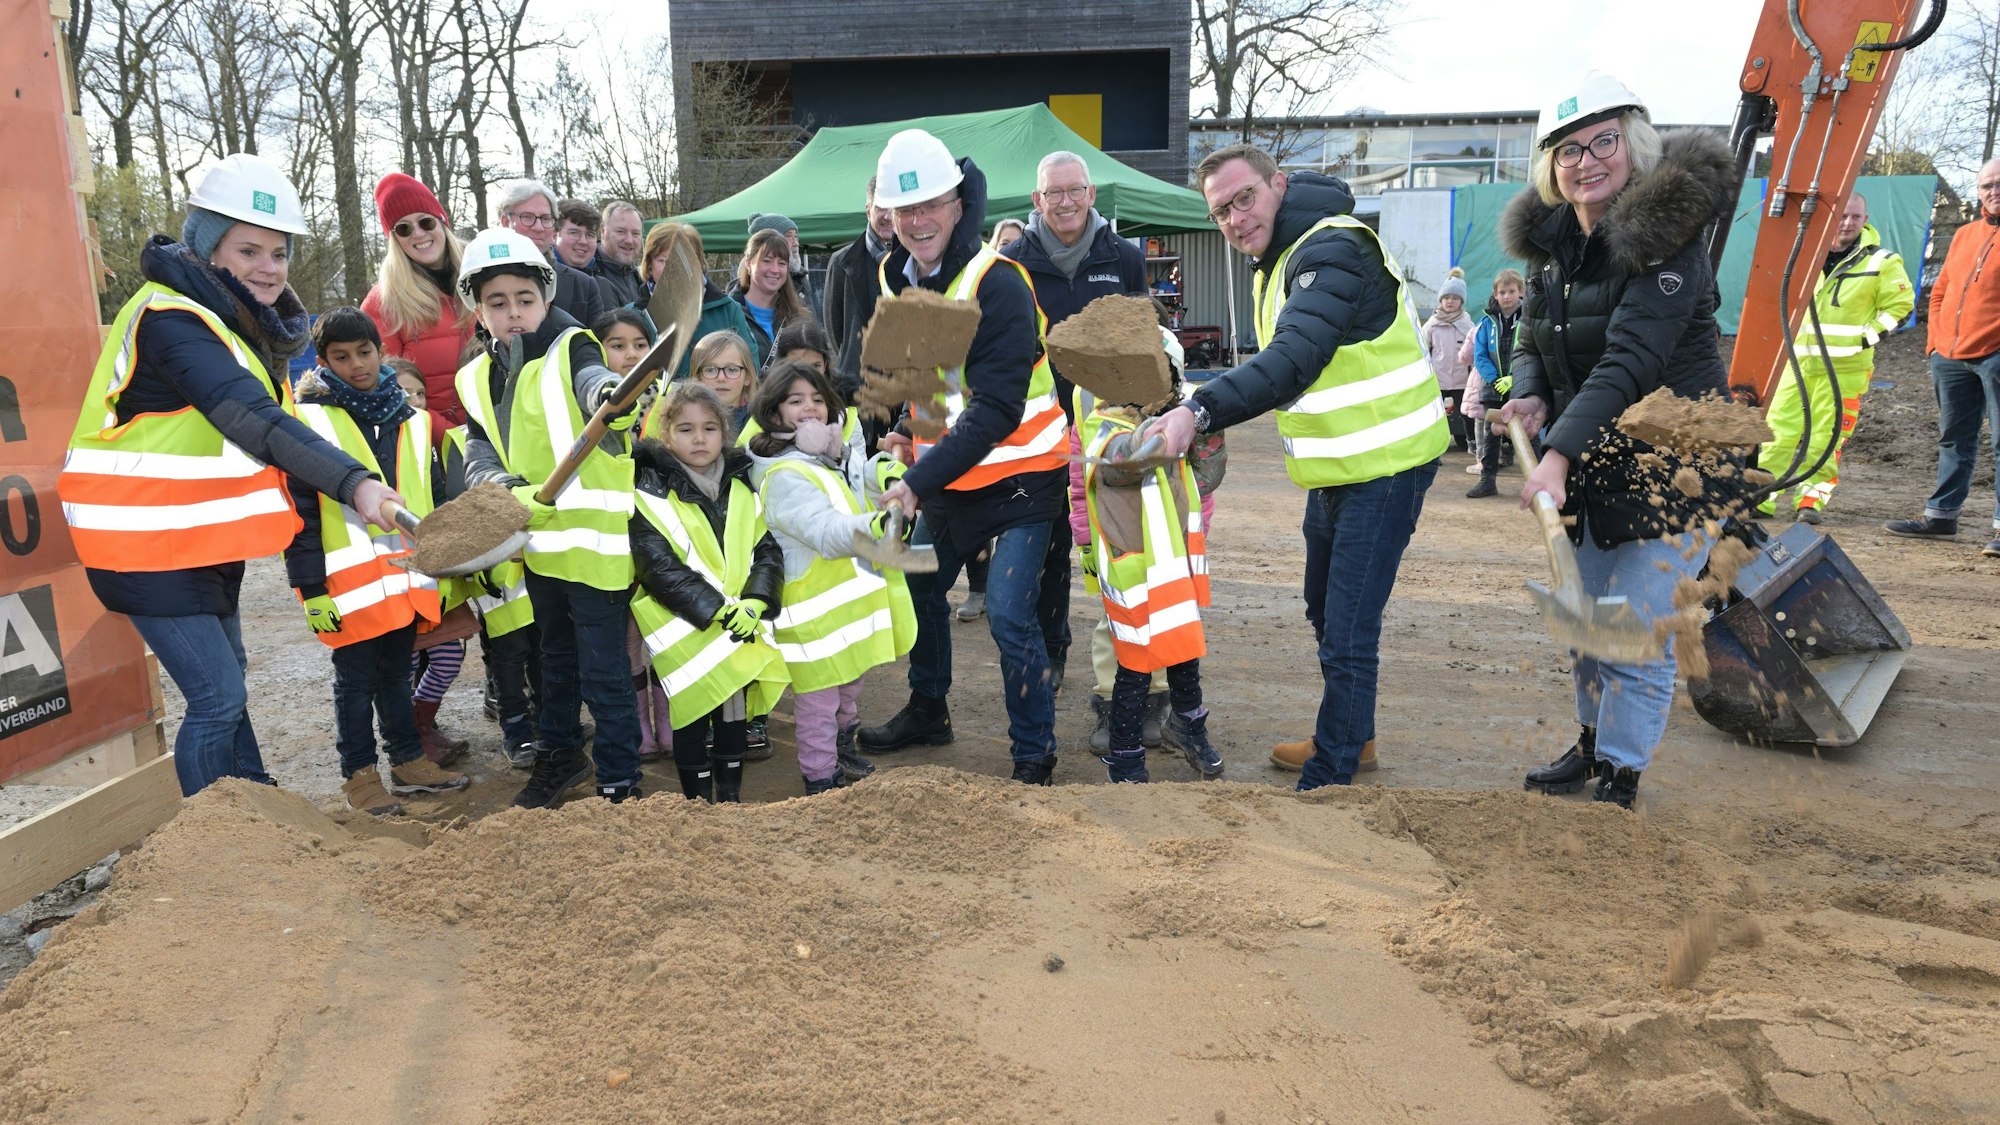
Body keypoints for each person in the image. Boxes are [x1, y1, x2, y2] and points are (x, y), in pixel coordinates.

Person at [60, 153, 406, 798]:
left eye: (278, 252)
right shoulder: (172, 320)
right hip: (140, 544)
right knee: (217, 697)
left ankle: (255, 804)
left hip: (191, 538)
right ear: (206, 247)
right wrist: (356, 483)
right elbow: (252, 419)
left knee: (232, 678)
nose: (268, 268)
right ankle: (212, 848)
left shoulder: (228, 321)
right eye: (249, 250)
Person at [1142, 137, 1449, 792]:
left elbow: (1293, 360)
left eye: (1244, 198)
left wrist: (1197, 413)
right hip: (1341, 469)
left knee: (1347, 627)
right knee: (1323, 605)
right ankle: (1352, 731)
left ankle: (1332, 771)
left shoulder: (1330, 248)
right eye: (1221, 211)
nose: (1234, 219)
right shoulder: (1282, 258)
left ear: (1278, 184)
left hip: (1387, 465)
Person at [1494, 72, 1737, 809]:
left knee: (1631, 630)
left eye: (1603, 141)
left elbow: (1630, 361)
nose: (1586, 161)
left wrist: (1558, 453)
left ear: (1633, 144)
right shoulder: (1555, 244)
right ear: (1549, 166)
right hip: (1600, 459)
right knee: (1585, 621)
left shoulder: (1668, 245)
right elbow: (1533, 333)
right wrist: (1529, 385)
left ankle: (1621, 776)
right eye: (1568, 149)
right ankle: (1593, 744)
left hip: (1677, 466)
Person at [858, 129, 1071, 785]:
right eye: (904, 209)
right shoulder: (897, 278)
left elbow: (997, 407)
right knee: (920, 580)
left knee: (1009, 614)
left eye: (931, 205)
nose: (918, 221)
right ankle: (929, 708)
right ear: (887, 216)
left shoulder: (998, 283)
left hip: (1021, 483)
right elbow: (927, 378)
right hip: (951, 481)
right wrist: (902, 429)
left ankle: (1034, 751)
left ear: (957, 204)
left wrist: (917, 479)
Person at [455, 227, 642, 807]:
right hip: (539, 546)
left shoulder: (571, 344)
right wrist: (497, 485)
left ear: (546, 296)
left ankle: (619, 779)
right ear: (478, 310)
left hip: (597, 546)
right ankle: (560, 757)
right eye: (497, 303)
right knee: (552, 662)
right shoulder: (473, 379)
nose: (514, 314)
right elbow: (479, 450)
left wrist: (613, 394)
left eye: (525, 300)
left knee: (605, 672)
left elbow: (594, 384)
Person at [285, 308, 470, 814]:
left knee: (394, 674)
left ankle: (407, 759)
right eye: (341, 358)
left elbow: (426, 495)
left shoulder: (408, 418)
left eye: (364, 353)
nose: (357, 365)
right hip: (346, 583)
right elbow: (299, 514)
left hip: (404, 577)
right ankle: (359, 776)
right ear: (322, 362)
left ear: (380, 352)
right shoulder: (308, 421)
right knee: (356, 681)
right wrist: (311, 589)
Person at [999, 150, 1152, 707]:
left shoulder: (1126, 258)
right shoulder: (1011, 263)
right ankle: (1053, 653)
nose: (1064, 202)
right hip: (1039, 431)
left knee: (1116, 548)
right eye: (1052, 193)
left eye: (1074, 190)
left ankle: (1128, 671)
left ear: (1091, 194)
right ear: (1037, 201)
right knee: (1048, 548)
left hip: (1107, 431)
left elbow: (1141, 340)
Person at [747, 361, 917, 792]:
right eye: (796, 400)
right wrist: (876, 529)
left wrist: (883, 474)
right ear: (774, 410)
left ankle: (845, 747)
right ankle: (822, 779)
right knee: (819, 704)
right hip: (812, 615)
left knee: (847, 689)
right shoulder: (784, 474)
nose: (810, 408)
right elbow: (825, 531)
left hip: (844, 607)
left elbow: (856, 486)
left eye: (818, 400)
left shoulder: (830, 453)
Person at [1074, 328, 1224, 783]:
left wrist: (1202, 424)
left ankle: (1187, 722)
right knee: (1134, 664)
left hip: (1173, 561)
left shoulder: (1181, 414)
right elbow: (1122, 459)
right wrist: (1166, 430)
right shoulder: (1105, 422)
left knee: (1182, 649)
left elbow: (1209, 474)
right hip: (1131, 564)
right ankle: (1125, 754)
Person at [629, 382, 787, 802]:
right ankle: (696, 805)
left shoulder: (741, 486)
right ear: (665, 436)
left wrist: (757, 600)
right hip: (687, 627)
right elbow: (657, 566)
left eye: (709, 428)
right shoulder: (649, 493)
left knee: (732, 712)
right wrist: (716, 609)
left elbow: (766, 549)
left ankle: (730, 799)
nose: (699, 438)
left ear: (725, 433)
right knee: (691, 714)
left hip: (737, 622)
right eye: (685, 429)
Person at [1756, 193, 1914, 524]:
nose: (1848, 223)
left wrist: (1865, 338)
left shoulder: (1882, 262)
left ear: (1865, 219)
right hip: (1795, 364)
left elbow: (1900, 307)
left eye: (1855, 217)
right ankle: (1762, 497)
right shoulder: (1802, 255)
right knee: (1777, 432)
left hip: (1845, 370)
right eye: (1842, 216)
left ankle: (1810, 502)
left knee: (1827, 438)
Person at [1884, 158, 2000, 557]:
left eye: (1999, 184)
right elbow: (1940, 291)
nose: (1993, 191)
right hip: (1950, 357)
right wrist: (1935, 342)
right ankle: (1941, 516)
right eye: (1986, 185)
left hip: (1995, 355)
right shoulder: (1966, 234)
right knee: (1954, 437)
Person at [589, 308, 672, 762]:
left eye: (640, 345)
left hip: (662, 540)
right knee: (628, 641)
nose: (630, 355)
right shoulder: (589, 405)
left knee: (663, 632)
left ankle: (669, 717)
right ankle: (639, 722)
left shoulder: (670, 401)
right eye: (617, 345)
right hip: (612, 539)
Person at [391, 357, 474, 764]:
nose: (415, 401)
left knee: (447, 655)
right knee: (402, 665)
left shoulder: (431, 443)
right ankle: (408, 740)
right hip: (395, 575)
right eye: (404, 393)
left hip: (433, 575)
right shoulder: (380, 443)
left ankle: (422, 724)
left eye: (420, 393)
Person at [362, 173, 475, 427]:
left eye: (426, 222)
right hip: (430, 444)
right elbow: (387, 389)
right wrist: (447, 438)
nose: (418, 234)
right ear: (395, 239)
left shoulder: (482, 275)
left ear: (442, 221)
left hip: (499, 433)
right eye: (404, 228)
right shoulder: (384, 303)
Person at [638, 222, 760, 381]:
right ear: (649, 266)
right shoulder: (634, 317)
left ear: (699, 264)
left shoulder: (727, 310)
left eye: (685, 260)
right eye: (664, 261)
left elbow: (750, 373)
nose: (674, 269)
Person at [494, 177, 606, 328]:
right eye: (527, 217)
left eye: (546, 218)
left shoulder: (584, 286)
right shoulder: (482, 278)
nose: (539, 227)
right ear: (505, 222)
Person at [824, 178, 897, 409]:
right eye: (881, 207)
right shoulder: (841, 262)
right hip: (857, 389)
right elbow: (835, 329)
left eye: (894, 208)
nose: (887, 215)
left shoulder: (916, 262)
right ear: (868, 211)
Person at [1465, 269, 1526, 499]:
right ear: (1495, 294)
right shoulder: (1486, 322)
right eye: (1502, 292)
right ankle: (1487, 480)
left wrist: (1515, 376)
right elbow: (1479, 355)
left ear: (1520, 291)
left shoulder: (1529, 317)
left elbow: (1531, 349)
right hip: (1493, 387)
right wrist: (1495, 379)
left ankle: (1538, 481)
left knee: (1529, 433)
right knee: (1492, 435)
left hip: (1521, 385)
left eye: (1512, 291)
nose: (1507, 296)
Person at [647, 329, 759, 434]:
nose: (721, 378)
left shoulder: (763, 421)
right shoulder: (677, 416)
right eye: (710, 370)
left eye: (732, 370)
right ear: (698, 377)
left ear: (748, 377)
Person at [730, 228, 810, 367]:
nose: (775, 269)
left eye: (782, 263)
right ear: (749, 264)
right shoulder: (728, 315)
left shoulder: (799, 316)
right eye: (767, 261)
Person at [1424, 268, 1476, 451]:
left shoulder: (1467, 324)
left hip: (1461, 379)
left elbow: (1474, 350)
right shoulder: (1432, 324)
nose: (1450, 301)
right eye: (1446, 298)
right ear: (1441, 300)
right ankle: (1433, 447)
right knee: (1434, 413)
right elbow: (1423, 349)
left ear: (1461, 301)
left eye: (1454, 298)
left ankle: (1472, 443)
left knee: (1467, 412)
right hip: (1438, 378)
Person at [748, 212, 820, 317]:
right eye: (789, 237)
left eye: (795, 237)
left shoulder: (800, 277)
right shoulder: (744, 291)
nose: (796, 243)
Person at [589, 200, 647, 309]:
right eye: (621, 231)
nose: (629, 240)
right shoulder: (587, 274)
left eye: (635, 233)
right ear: (602, 231)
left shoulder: (641, 278)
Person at [553, 199, 601, 274]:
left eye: (590, 235)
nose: (583, 241)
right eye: (574, 233)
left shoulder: (604, 284)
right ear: (554, 236)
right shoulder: (538, 281)